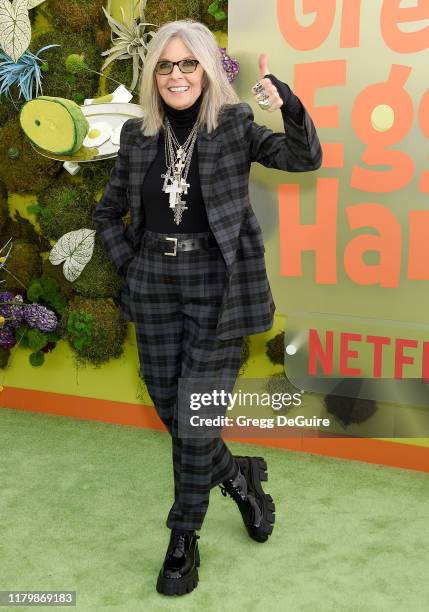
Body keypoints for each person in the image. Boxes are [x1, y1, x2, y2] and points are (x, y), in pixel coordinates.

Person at [93, 19, 322, 597]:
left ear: (205, 70)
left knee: (194, 421)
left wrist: (286, 102)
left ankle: (183, 537)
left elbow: (304, 158)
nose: (176, 75)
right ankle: (240, 481)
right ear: (154, 75)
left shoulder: (235, 125)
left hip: (219, 288)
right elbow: (107, 214)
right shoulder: (137, 137)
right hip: (155, 287)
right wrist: (131, 269)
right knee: (178, 416)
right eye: (165, 66)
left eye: (187, 64)